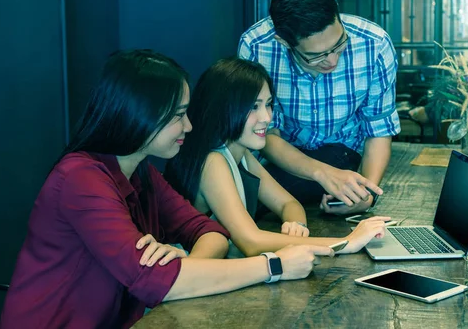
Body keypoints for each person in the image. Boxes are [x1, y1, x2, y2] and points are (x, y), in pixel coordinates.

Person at [0, 50, 333, 329]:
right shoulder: (80, 179)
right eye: (177, 116)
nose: (188, 126)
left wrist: (184, 270)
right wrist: (273, 266)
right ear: (138, 115)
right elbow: (156, 282)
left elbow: (211, 232)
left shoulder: (141, 171)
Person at [165, 58, 390, 258]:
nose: (266, 117)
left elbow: (288, 203)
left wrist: (295, 225)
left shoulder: (240, 154)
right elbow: (251, 242)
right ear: (223, 109)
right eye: (253, 107)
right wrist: (348, 242)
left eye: (269, 104)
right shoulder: (213, 161)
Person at [237, 0, 400, 216]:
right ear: (284, 42)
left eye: (339, 45)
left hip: (346, 154)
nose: (332, 61)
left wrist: (366, 193)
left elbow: (377, 130)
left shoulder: (374, 44)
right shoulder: (256, 48)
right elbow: (266, 133)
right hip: (281, 159)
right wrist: (322, 173)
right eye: (316, 56)